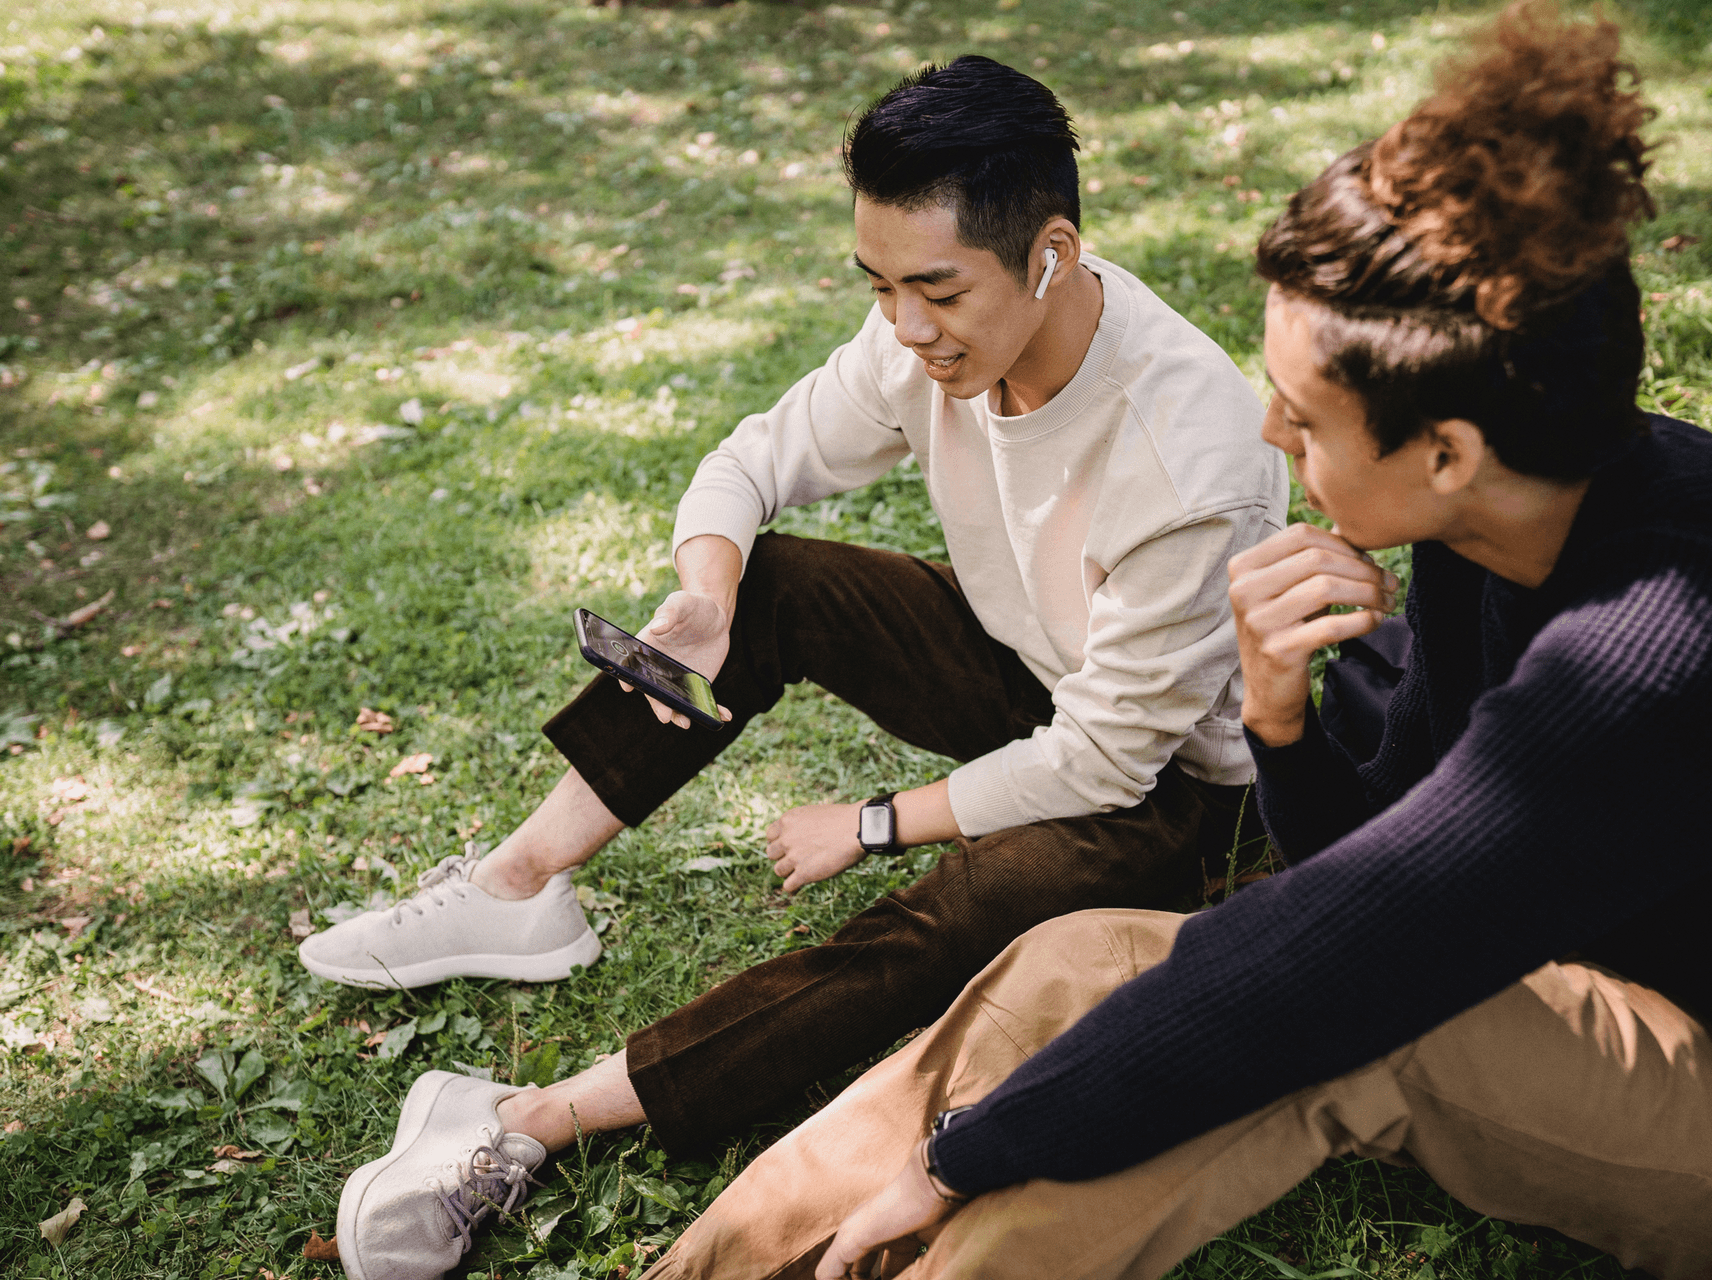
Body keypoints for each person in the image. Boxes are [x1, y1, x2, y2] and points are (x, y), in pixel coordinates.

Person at [615, 7, 1712, 1279]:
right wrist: (1281, 719)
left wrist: (959, 1158)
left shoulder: (1663, 641)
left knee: (1306, 1025)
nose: (1269, 443)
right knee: (1085, 959)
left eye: (1300, 416)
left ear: (1445, 453)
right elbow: (1370, 851)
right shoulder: (1494, 530)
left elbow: (1349, 946)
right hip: (1584, 973)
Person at [324, 56, 1287, 1280]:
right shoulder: (920, 340)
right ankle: (521, 887)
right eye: (880, 285)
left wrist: (875, 822)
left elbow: (1105, 756)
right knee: (772, 579)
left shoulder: (1185, 452)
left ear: (1050, 253)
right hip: (1035, 672)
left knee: (972, 906)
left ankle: (528, 1115)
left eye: (937, 289)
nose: (906, 327)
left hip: (1182, 791)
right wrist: (709, 592)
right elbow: (754, 457)